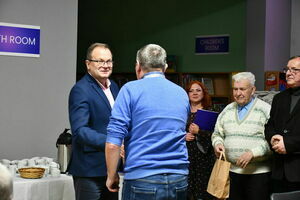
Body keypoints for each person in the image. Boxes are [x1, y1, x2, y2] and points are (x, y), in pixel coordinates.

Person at [105, 44, 190, 200]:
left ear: (138, 66)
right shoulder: (182, 93)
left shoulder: (129, 90)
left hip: (142, 178)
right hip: (179, 179)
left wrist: (112, 176)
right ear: (165, 66)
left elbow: (113, 143)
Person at [68, 43, 119, 200]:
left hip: (111, 168)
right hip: (89, 170)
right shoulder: (80, 90)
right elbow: (80, 131)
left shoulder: (114, 87)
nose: (105, 66)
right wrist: (112, 143)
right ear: (88, 64)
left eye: (109, 61)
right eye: (100, 61)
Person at [211, 72, 272, 200]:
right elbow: (217, 133)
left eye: (242, 89)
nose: (238, 93)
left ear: (253, 90)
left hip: (258, 175)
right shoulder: (227, 110)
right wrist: (218, 144)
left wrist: (253, 153)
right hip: (231, 173)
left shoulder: (265, 110)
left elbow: (273, 141)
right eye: (235, 89)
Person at [265, 56, 300, 193]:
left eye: (294, 70)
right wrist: (273, 137)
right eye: (287, 69)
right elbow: (269, 125)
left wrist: (287, 144)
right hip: (279, 172)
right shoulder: (279, 98)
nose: (288, 73)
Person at [185, 80, 216, 200]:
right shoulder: (182, 112)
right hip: (186, 157)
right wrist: (183, 136)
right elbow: (173, 132)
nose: (194, 93)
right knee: (187, 191)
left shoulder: (210, 112)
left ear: (203, 93)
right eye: (191, 91)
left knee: (203, 192)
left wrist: (199, 132)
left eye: (198, 90)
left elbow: (216, 135)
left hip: (205, 158)